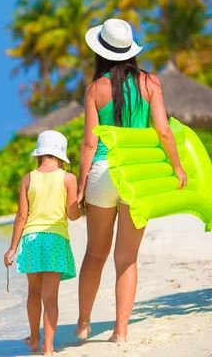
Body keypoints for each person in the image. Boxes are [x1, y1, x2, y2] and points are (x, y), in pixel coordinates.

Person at [75, 19, 188, 343]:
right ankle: (120, 332)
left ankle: (83, 324)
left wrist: (82, 187)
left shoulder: (96, 88)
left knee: (95, 254)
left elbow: (89, 144)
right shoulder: (151, 83)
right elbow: (164, 130)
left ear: (101, 51)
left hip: (103, 172)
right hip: (137, 175)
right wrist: (177, 168)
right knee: (126, 259)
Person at [4, 130, 82, 356]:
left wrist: (12, 248)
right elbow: (73, 215)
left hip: (31, 239)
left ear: (39, 153)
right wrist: (80, 204)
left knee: (33, 293)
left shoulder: (28, 178)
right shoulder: (68, 178)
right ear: (60, 154)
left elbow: (21, 216)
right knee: (50, 297)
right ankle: (48, 347)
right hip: (56, 238)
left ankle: (35, 338)